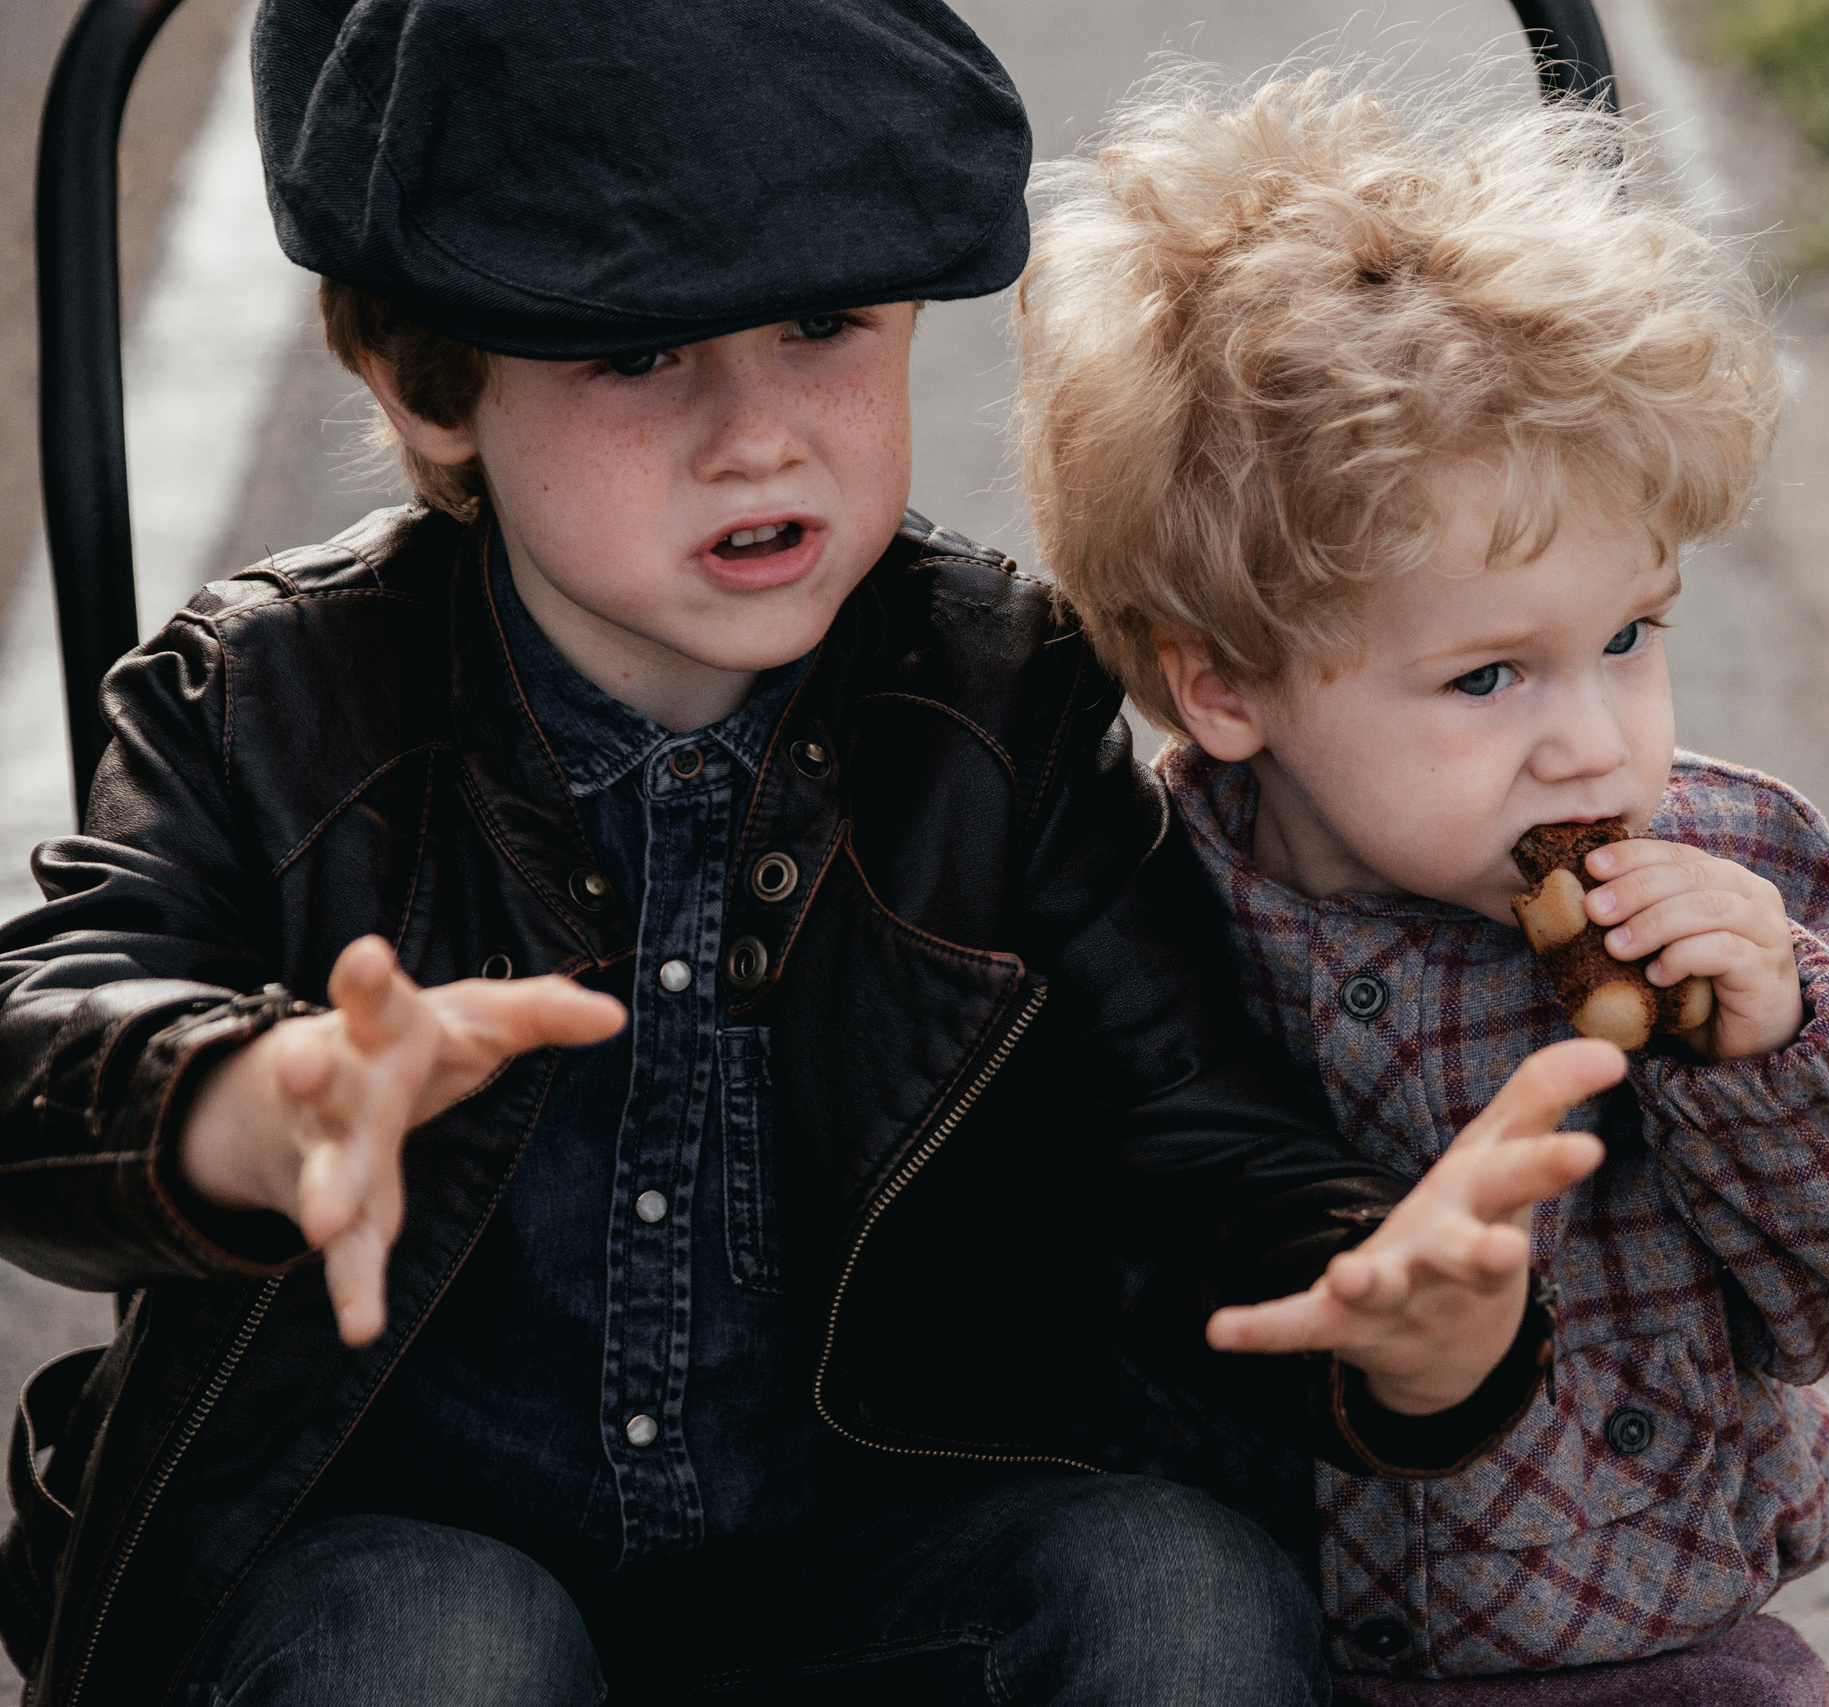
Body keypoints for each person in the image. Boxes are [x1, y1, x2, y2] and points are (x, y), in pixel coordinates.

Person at [0, 7, 1625, 1705]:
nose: (757, 432)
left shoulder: (998, 701)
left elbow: (1187, 1134)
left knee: (1171, 1584)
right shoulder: (266, 701)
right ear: (429, 380)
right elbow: (46, 1026)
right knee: (436, 1643)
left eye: (824, 324)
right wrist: (240, 1105)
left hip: (866, 1562)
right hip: (401, 1555)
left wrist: (1389, 1307)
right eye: (638, 354)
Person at [1018, 63, 1829, 1681]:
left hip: (1645, 1655)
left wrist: (1780, 1047)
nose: (1592, 745)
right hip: (1261, 1638)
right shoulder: (1125, 903)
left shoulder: (1731, 876)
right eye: (1488, 677)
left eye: (1630, 637)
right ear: (1224, 685)